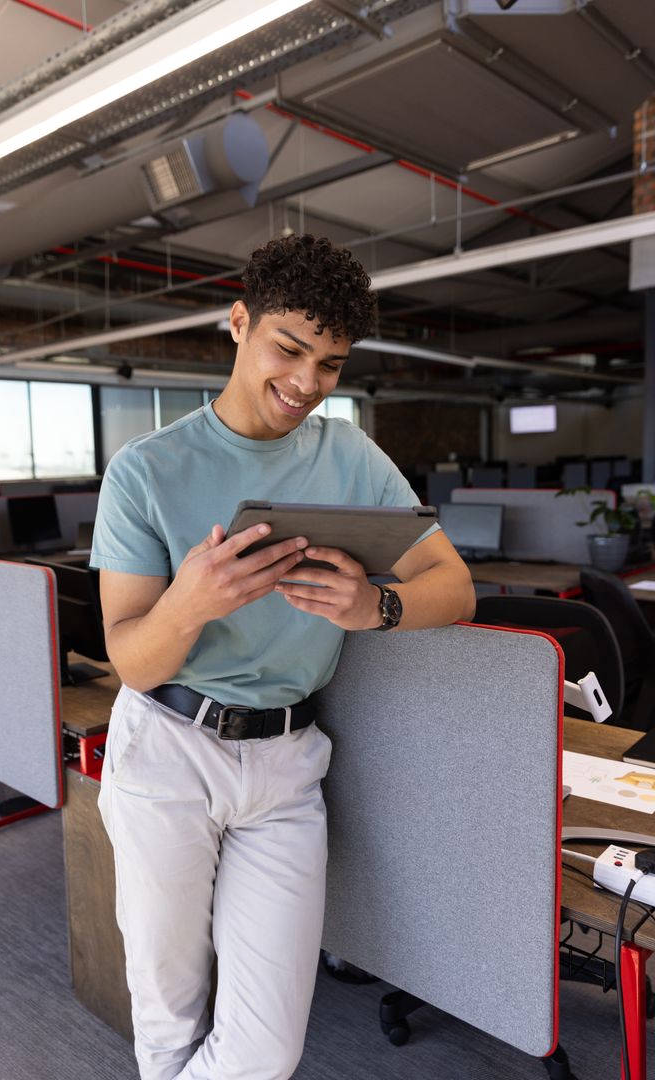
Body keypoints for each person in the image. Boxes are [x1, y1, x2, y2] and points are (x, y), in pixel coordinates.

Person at [91, 233, 475, 1080]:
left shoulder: (352, 456)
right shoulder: (146, 471)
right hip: (167, 750)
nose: (306, 383)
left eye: (331, 364)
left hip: (288, 764)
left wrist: (377, 606)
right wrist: (190, 603)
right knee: (168, 1019)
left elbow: (454, 585)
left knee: (266, 1049)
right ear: (239, 323)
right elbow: (133, 659)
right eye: (290, 348)